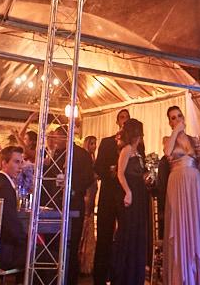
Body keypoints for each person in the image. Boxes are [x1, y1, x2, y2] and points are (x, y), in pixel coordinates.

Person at [163, 104, 200, 285]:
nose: (176, 119)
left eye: (178, 116)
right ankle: (183, 276)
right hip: (177, 182)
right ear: (169, 122)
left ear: (184, 117)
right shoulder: (167, 139)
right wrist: (176, 131)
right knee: (180, 225)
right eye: (172, 118)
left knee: (196, 224)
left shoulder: (194, 139)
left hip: (194, 183)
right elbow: (167, 152)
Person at [42, 125, 96, 285]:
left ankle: (70, 279)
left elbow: (89, 178)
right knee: (53, 243)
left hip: (74, 204)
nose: (55, 141)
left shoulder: (81, 155)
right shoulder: (55, 155)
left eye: (57, 137)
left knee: (71, 244)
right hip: (55, 205)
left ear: (66, 137)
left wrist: (72, 186)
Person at [93, 107, 130, 285]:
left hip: (124, 194)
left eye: (127, 118)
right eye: (121, 117)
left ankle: (121, 276)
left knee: (124, 235)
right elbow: (98, 167)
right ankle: (100, 277)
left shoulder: (134, 144)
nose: (124, 120)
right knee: (104, 236)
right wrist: (110, 172)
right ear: (117, 121)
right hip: (108, 193)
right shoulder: (107, 142)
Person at [110, 119, 148, 285]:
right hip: (131, 193)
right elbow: (120, 173)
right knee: (128, 233)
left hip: (139, 193)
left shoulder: (136, 151)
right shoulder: (126, 150)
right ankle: (124, 276)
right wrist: (128, 192)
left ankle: (135, 276)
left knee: (137, 234)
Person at [79, 135, 98, 275]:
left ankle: (87, 262)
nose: (94, 146)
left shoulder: (94, 160)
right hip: (87, 194)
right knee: (85, 225)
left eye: (95, 144)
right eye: (91, 143)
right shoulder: (86, 161)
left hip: (93, 193)